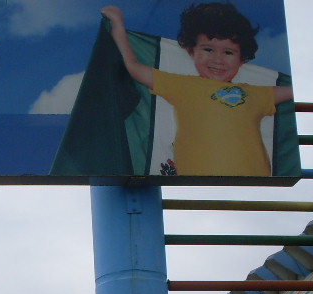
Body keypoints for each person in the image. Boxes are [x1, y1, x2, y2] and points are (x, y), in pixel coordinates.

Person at [100, 3, 293, 176]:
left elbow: (293, 90)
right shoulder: (183, 85)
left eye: (228, 52)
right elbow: (133, 67)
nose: (218, 59)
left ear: (242, 59)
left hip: (254, 180)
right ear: (191, 51)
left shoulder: (255, 94)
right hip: (197, 179)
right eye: (208, 49)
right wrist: (118, 27)